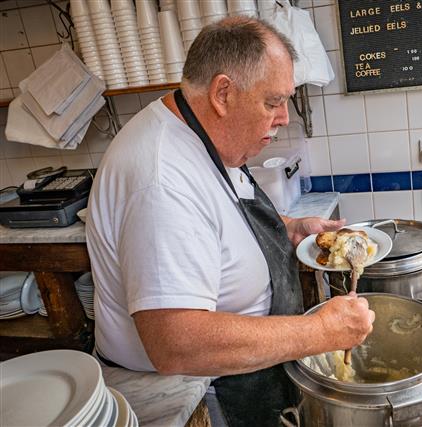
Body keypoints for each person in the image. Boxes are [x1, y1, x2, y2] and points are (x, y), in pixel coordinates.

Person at [85, 16, 375, 427]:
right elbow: (176, 344)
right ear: (223, 93)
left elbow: (222, 214)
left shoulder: (202, 130)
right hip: (203, 389)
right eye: (273, 102)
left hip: (244, 370)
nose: (285, 117)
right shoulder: (161, 180)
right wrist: (318, 333)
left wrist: (290, 228)